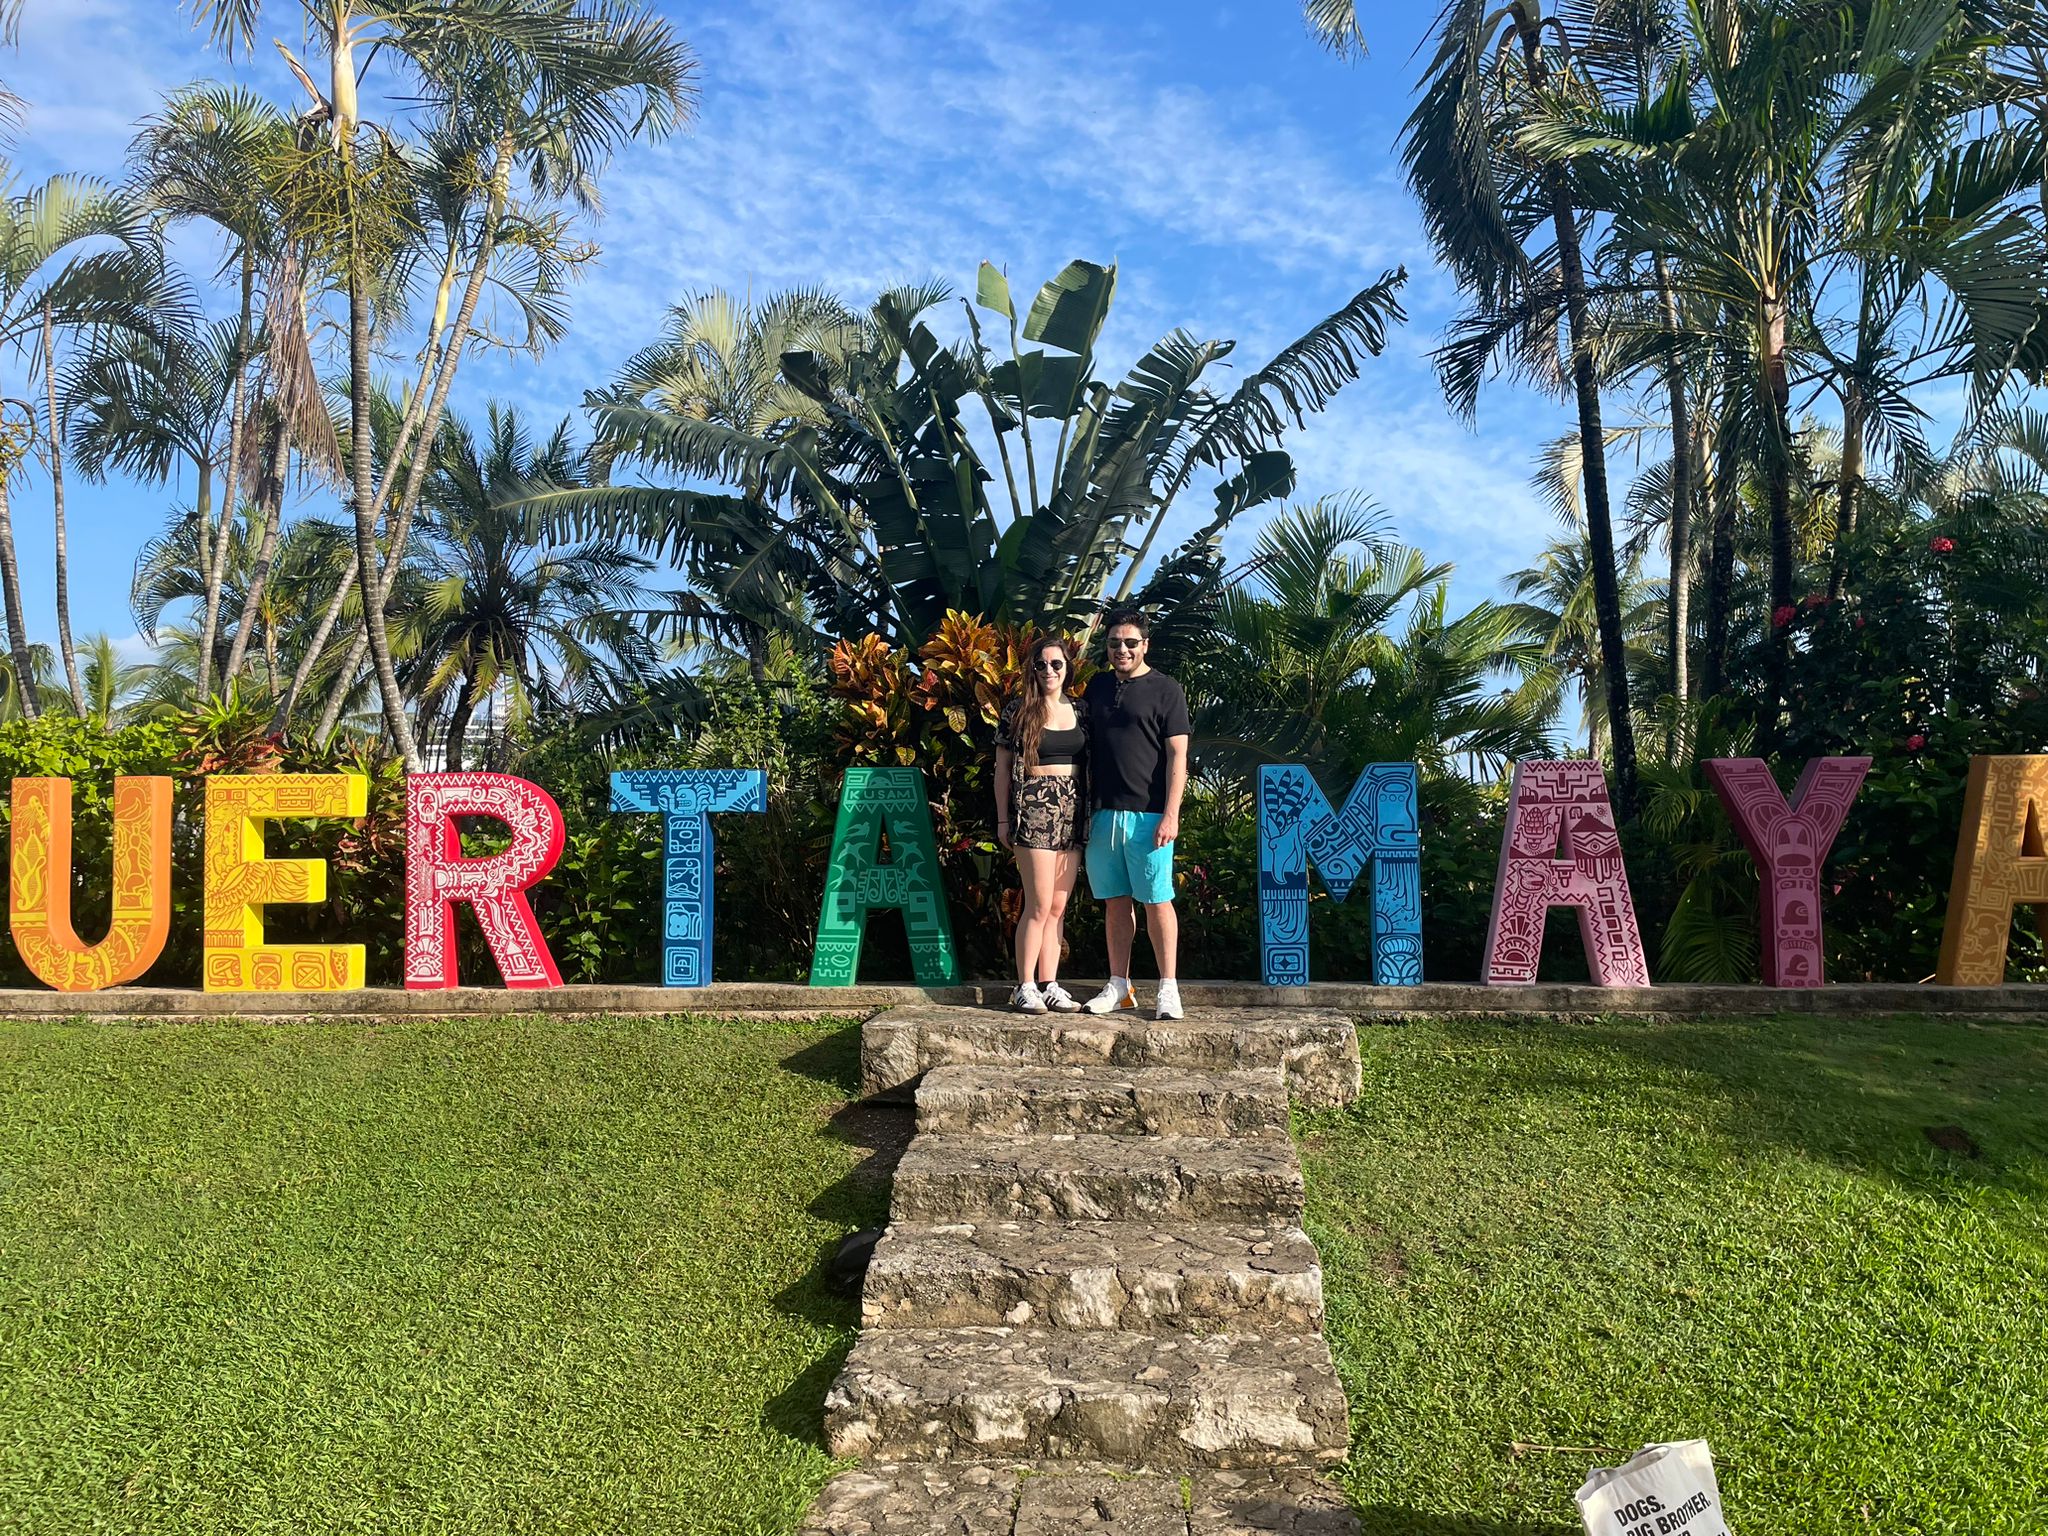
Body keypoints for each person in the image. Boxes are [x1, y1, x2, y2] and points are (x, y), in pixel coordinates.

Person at [1079, 608, 1191, 1019]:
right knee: (1114, 902)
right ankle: (1119, 985)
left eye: (1130, 642)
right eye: (1114, 642)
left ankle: (1168, 988)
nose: (1121, 649)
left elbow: (1178, 756)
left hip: (1149, 815)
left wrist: (1171, 813)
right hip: (1103, 814)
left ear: (1145, 645)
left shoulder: (1166, 689)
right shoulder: (1097, 687)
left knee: (1157, 901)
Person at [994, 636, 1089, 1014]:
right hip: (1034, 807)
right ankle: (1025, 985)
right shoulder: (1018, 711)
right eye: (1041, 664)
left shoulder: (1082, 710)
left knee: (1058, 906)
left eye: (1056, 664)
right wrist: (1003, 818)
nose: (1048, 671)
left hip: (1073, 808)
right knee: (1037, 903)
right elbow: (1001, 770)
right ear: (1031, 670)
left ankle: (1050, 984)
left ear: (1067, 668)